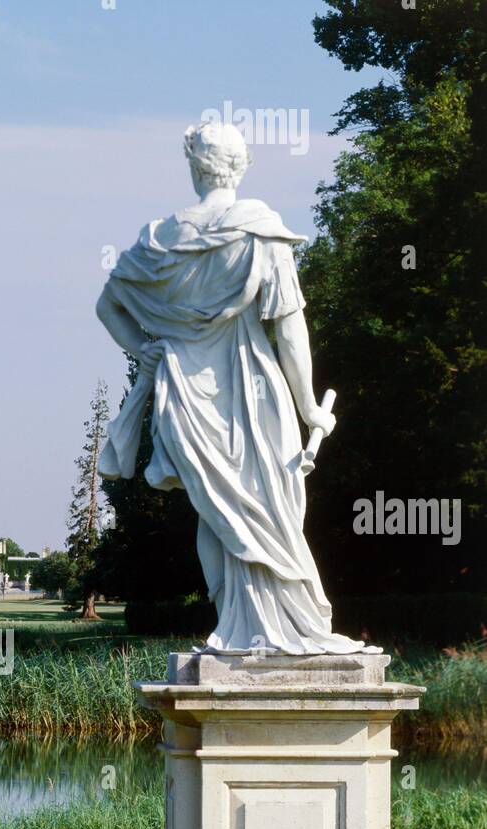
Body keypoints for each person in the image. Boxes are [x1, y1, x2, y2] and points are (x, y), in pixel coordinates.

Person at [97, 120, 371, 655]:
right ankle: (279, 628)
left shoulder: (159, 241)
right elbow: (290, 328)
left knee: (218, 508)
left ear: (195, 166)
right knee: (272, 506)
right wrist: (309, 406)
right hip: (253, 390)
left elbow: (108, 307)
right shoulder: (260, 232)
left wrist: (145, 349)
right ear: (241, 165)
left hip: (185, 394)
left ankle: (238, 629)